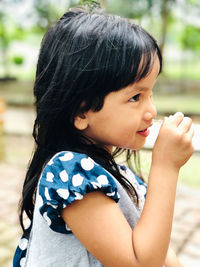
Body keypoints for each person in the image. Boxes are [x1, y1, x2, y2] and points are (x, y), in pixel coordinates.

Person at [13, 6, 194, 267]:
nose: (151, 111)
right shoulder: (71, 175)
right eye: (135, 97)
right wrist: (165, 167)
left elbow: (160, 249)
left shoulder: (119, 175)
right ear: (81, 111)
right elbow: (140, 263)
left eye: (150, 93)